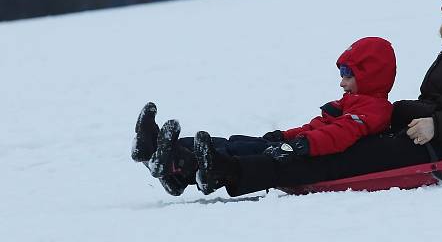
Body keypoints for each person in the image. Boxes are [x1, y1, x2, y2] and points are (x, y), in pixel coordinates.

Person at [136, 0, 442, 197]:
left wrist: (438, 126)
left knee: (324, 159)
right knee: (313, 141)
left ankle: (221, 170)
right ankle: (176, 158)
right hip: (418, 132)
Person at [131, 36, 397, 195]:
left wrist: (300, 144)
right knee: (235, 142)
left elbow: (340, 134)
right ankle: (159, 149)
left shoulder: (375, 109)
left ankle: (177, 166)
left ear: (370, 74)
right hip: (296, 146)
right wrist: (285, 135)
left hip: (307, 155)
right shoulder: (352, 101)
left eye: (347, 75)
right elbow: (317, 126)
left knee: (240, 154)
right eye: (341, 75)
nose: (342, 82)